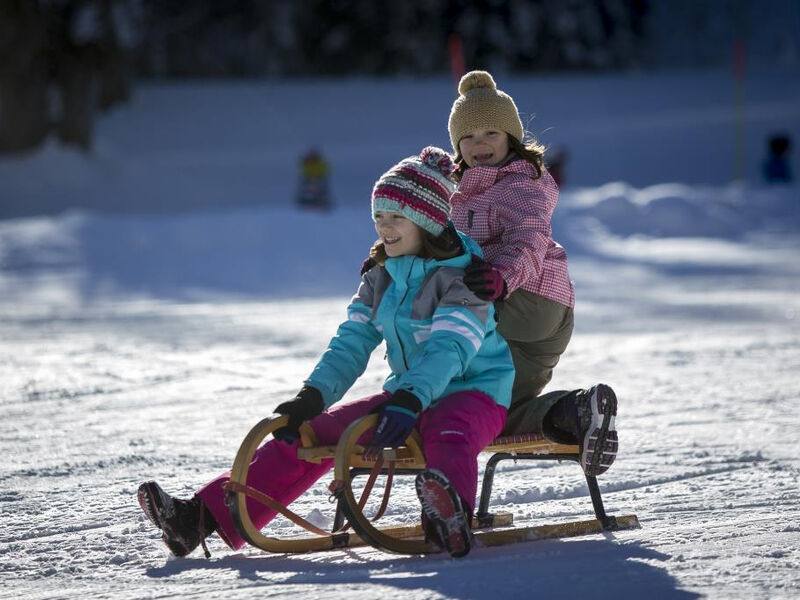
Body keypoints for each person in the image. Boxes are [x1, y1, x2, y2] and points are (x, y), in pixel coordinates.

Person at [137, 147, 515, 559]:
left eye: (396, 218)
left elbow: (450, 349)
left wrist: (410, 397)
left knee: (449, 431)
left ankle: (448, 519)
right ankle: (199, 519)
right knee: (308, 434)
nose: (384, 228)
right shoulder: (381, 277)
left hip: (475, 393)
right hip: (407, 397)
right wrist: (311, 398)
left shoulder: (466, 280)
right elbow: (350, 345)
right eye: (378, 217)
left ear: (427, 223)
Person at [446, 70, 617, 477]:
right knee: (491, 413)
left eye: (490, 133)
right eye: (467, 137)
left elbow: (529, 238)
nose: (479, 144)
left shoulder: (521, 183)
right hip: (530, 326)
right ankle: (575, 412)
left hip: (528, 298)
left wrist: (503, 277)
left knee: (442, 319)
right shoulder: (462, 192)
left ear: (512, 138)